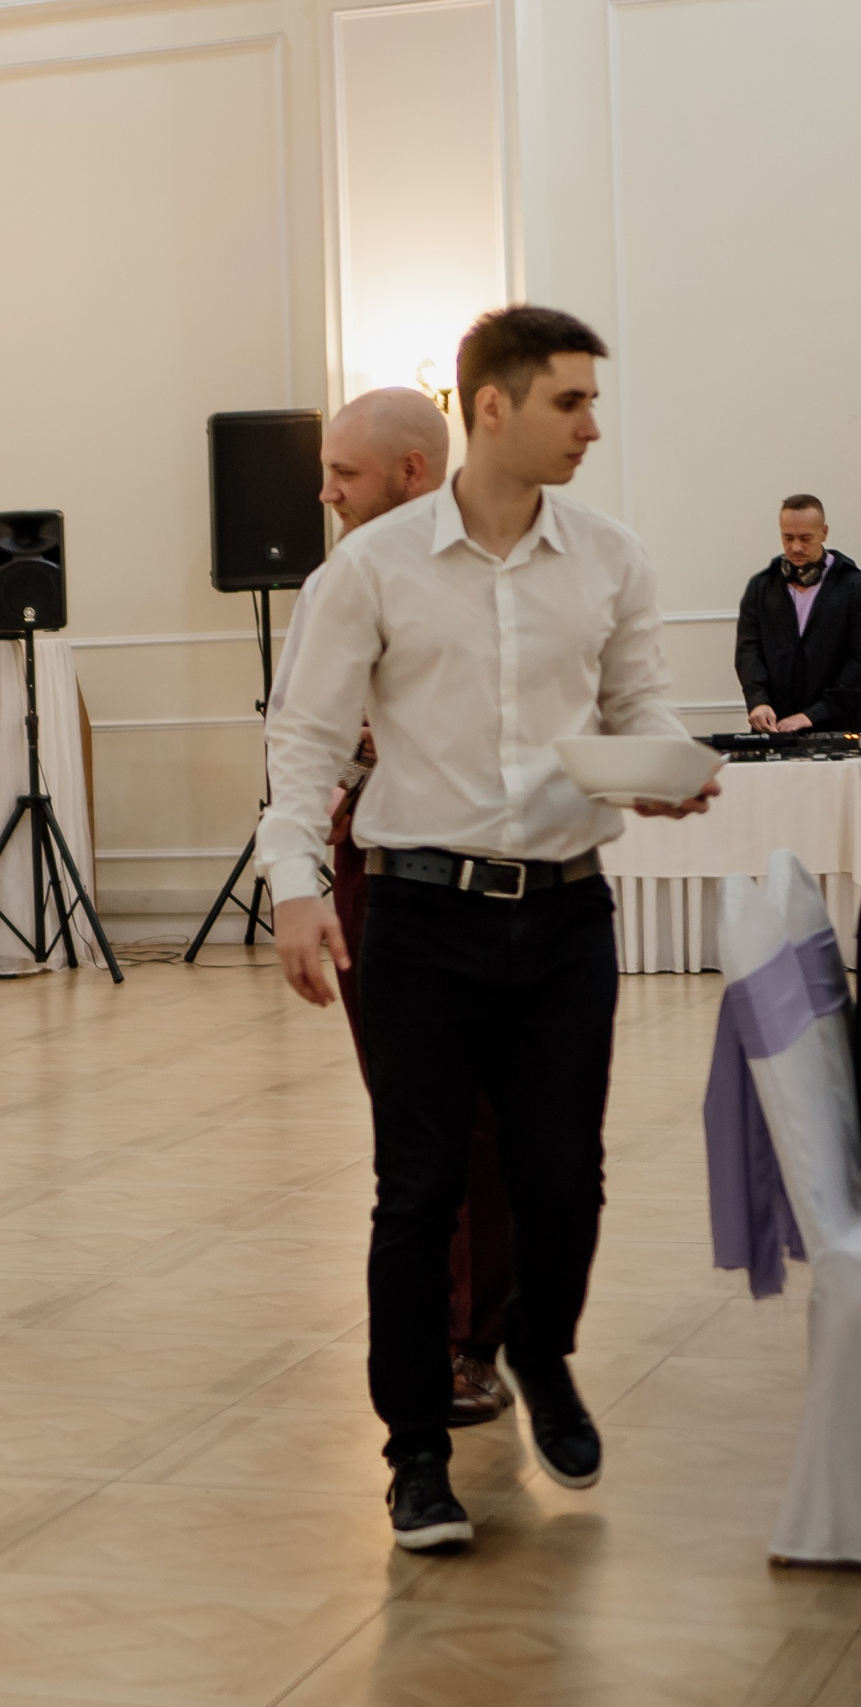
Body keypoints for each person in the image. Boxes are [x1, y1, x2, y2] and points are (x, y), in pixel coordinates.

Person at [261, 307, 716, 1552]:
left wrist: (659, 768)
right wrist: (297, 885)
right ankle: (415, 1452)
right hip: (418, 912)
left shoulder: (611, 557)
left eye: (590, 402)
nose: (591, 426)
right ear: (492, 407)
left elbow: (633, 705)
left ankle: (539, 1347)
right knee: (414, 1195)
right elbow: (303, 739)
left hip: (566, 912)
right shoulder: (372, 566)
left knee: (564, 1176)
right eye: (569, 402)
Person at [305, 388, 516, 1429]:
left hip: (488, 860)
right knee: (412, 1112)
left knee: (491, 1117)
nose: (324, 490)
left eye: (343, 472)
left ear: (413, 472)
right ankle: (443, 1341)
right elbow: (302, 734)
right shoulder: (330, 583)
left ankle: (481, 1336)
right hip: (374, 864)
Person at [735, 495, 861, 733]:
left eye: (806, 538)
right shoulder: (761, 587)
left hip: (839, 726)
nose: (795, 547)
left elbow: (858, 663)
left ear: (824, 533)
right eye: (788, 538)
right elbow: (748, 651)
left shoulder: (853, 587)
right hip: (775, 729)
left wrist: (812, 715)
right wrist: (758, 701)